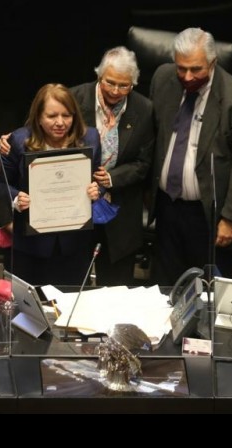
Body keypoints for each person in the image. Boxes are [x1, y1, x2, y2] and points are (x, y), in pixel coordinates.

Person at [150, 27, 232, 284]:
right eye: (181, 68)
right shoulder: (163, 78)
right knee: (164, 288)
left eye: (196, 69)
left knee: (209, 291)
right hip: (167, 208)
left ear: (213, 63)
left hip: (210, 215)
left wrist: (231, 218)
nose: (187, 77)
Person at [0, 83, 102, 286]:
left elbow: (98, 178)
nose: (60, 122)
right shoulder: (18, 140)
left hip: (74, 243)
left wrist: (96, 189)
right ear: (38, 117)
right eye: (52, 116)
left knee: (70, 300)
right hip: (30, 244)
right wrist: (16, 198)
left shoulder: (90, 137)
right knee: (30, 301)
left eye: (67, 115)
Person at [70, 47, 155, 286]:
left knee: (116, 289)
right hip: (76, 205)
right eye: (110, 83)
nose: (116, 91)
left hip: (120, 210)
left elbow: (144, 162)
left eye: (124, 85)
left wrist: (112, 178)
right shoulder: (74, 99)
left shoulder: (144, 109)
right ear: (99, 75)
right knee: (73, 286)